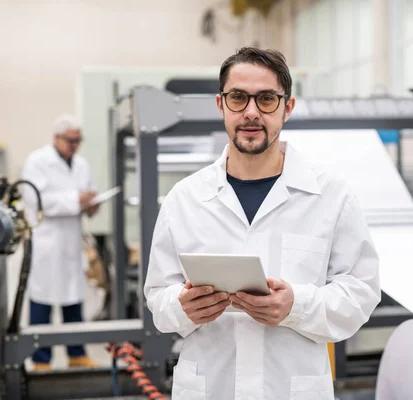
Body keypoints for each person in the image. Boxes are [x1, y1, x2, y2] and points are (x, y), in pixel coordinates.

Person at [143, 47, 381, 399]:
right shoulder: (185, 198)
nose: (251, 112)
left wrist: (295, 306)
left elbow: (361, 294)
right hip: (210, 387)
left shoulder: (331, 196)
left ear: (288, 107)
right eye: (238, 97)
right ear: (221, 104)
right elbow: (158, 300)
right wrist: (182, 307)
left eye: (267, 99)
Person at [21, 114, 100, 371]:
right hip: (46, 243)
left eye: (78, 141)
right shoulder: (37, 162)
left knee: (73, 299)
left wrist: (91, 205)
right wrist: (76, 199)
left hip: (70, 242)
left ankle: (76, 354)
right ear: (56, 138)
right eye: (71, 140)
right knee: (42, 301)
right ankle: (40, 359)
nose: (75, 145)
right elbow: (36, 200)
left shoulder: (82, 164)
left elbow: (85, 197)